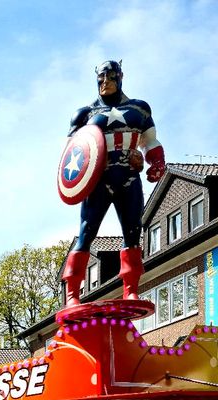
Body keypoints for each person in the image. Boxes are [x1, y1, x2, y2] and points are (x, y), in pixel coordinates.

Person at [62, 61, 166, 306]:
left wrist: (154, 163)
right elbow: (70, 154)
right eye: (100, 78)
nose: (104, 82)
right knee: (86, 233)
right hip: (97, 180)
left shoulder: (139, 110)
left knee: (133, 232)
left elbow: (151, 142)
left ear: (120, 76)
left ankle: (130, 289)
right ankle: (72, 295)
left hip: (129, 178)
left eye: (109, 77)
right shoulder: (84, 114)